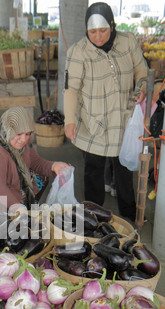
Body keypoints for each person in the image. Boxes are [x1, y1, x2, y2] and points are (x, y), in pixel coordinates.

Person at [63, 2, 148, 222]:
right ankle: (93, 218)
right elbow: (71, 89)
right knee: (93, 169)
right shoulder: (78, 52)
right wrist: (69, 120)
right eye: (93, 32)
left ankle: (129, 217)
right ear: (86, 30)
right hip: (94, 122)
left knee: (124, 169)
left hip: (123, 120)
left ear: (112, 25)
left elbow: (141, 69)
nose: (98, 37)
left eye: (103, 30)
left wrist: (141, 87)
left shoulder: (127, 42)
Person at [0, 106, 70, 210]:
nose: (23, 139)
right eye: (19, 134)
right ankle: (15, 209)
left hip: (4, 189)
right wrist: (16, 207)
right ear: (8, 130)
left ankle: (23, 206)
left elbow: (35, 162)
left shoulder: (21, 144)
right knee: (14, 211)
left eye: (27, 134)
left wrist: (53, 166)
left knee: (41, 177)